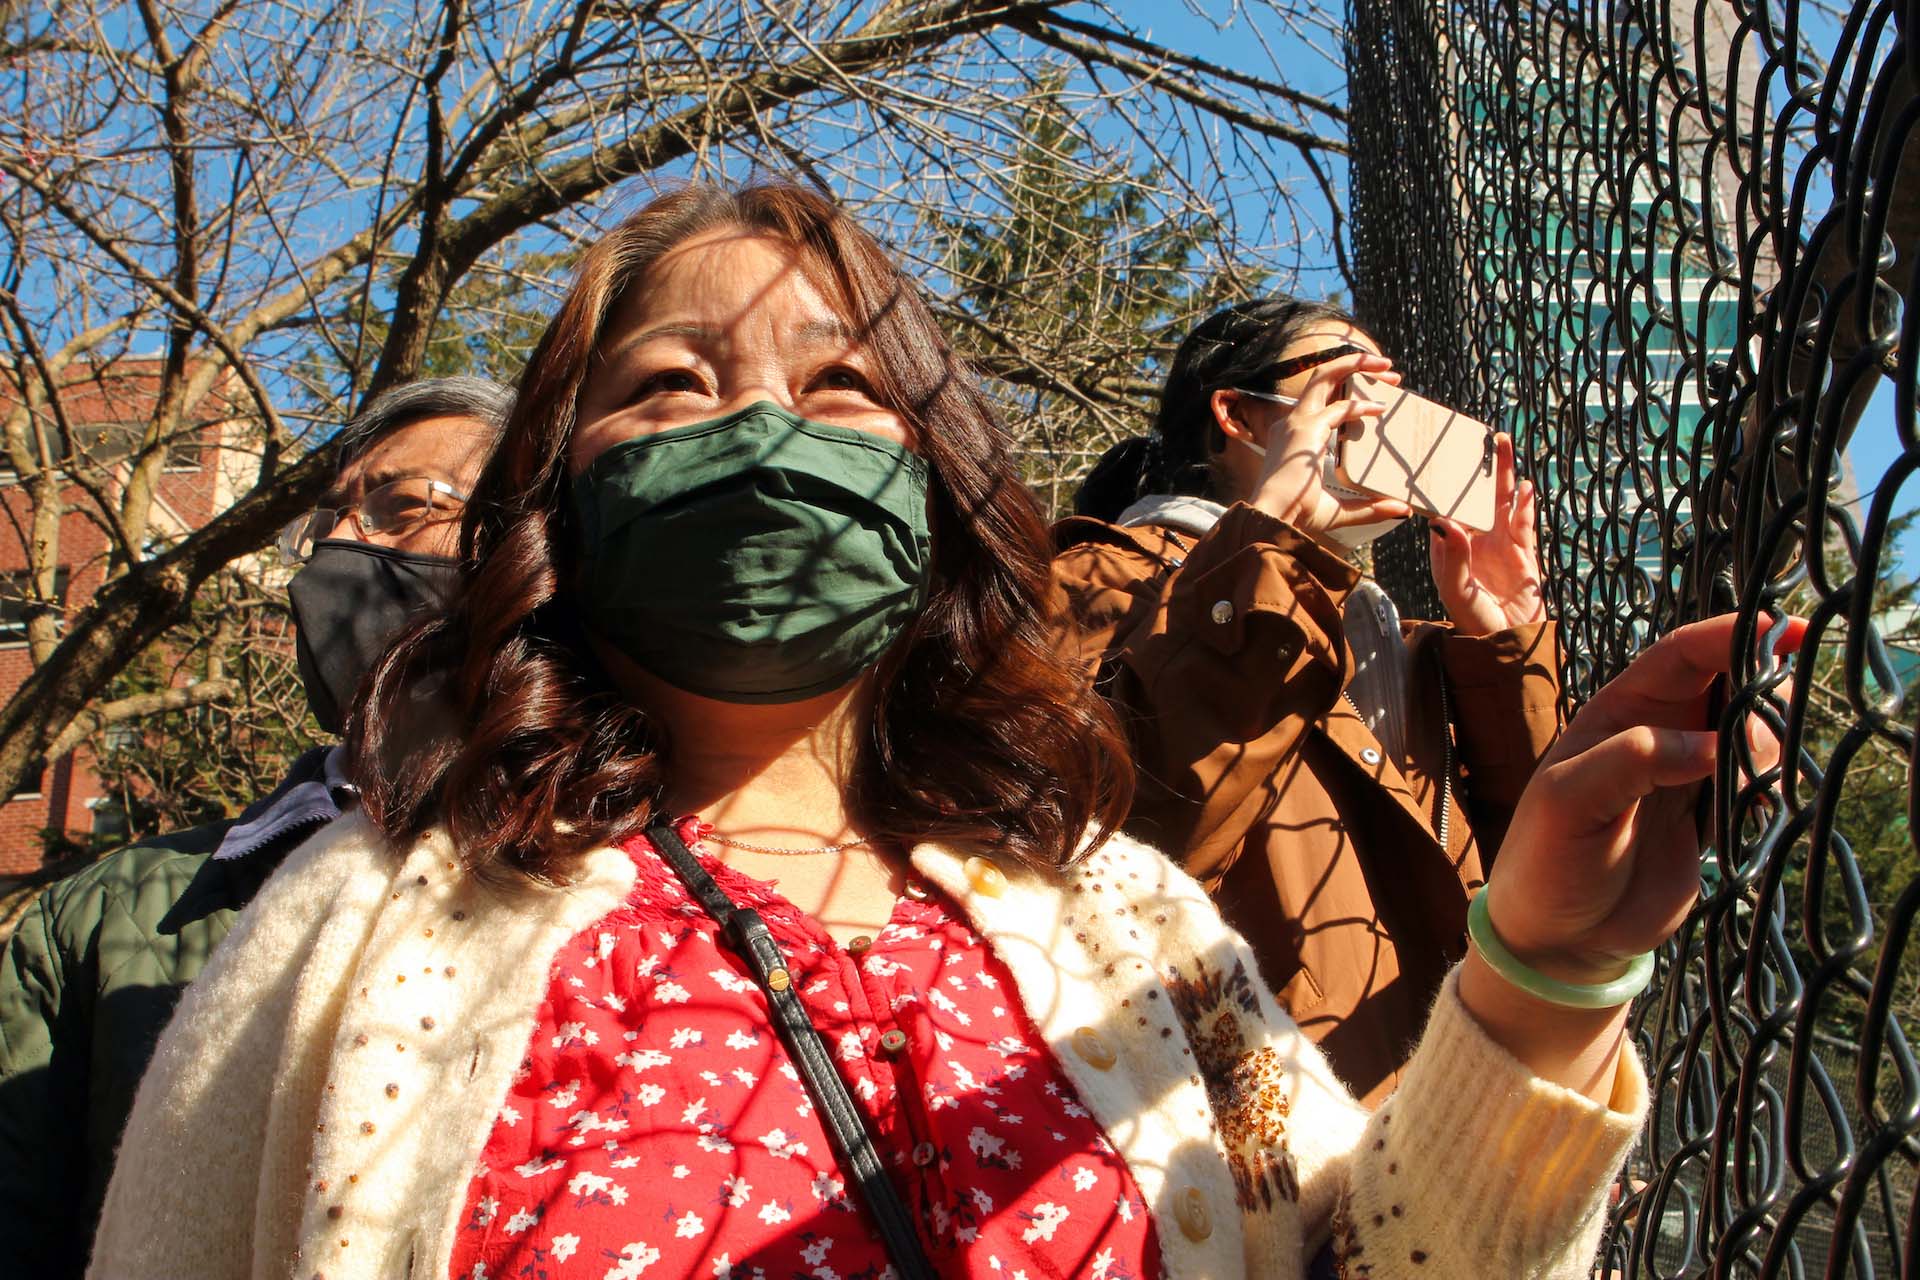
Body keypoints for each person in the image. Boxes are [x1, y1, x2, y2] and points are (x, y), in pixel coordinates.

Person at [90, 182, 1773, 1280]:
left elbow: (1369, 1252)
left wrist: (1541, 971)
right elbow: (1191, 771)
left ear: (934, 480)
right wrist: (1275, 540)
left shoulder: (1117, 924)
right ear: (558, 492)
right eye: (670, 385)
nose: (760, 428)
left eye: (841, 392)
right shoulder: (369, 923)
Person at [0, 375, 511, 1278]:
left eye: (404, 508)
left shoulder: (642, 894)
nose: (337, 549)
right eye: (325, 522)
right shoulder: (109, 919)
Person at [1055, 298, 1561, 1104]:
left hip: (1434, 1109)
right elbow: (1133, 836)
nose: (1381, 418)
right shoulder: (1104, 578)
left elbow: (1537, 876)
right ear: (1241, 416)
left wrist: (1506, 647)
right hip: (1231, 1119)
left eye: (1396, 400)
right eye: (1351, 386)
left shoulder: (1405, 641)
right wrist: (1270, 547)